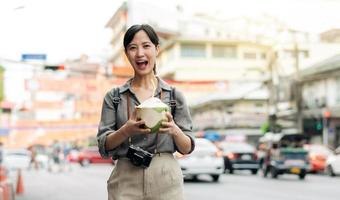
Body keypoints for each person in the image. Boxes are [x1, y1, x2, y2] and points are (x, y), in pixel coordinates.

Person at [97, 24, 195, 200]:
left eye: (146, 46)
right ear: (126, 54)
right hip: (125, 177)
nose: (140, 53)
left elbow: (187, 147)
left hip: (166, 177)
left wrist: (174, 130)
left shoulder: (174, 96)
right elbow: (104, 146)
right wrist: (126, 130)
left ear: (157, 49)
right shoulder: (114, 97)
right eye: (133, 48)